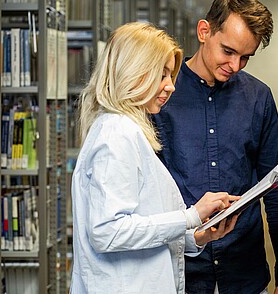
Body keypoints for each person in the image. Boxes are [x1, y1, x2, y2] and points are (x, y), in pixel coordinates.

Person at [152, 0, 278, 294]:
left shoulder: (258, 98)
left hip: (244, 274)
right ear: (204, 31)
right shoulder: (160, 95)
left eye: (245, 57)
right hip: (178, 274)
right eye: (228, 51)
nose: (235, 65)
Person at [70, 22, 239, 294]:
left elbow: (142, 221)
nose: (171, 87)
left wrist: (196, 236)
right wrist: (191, 216)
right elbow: (107, 232)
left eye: (170, 76)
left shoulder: (127, 130)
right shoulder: (116, 134)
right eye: (162, 76)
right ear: (133, 74)